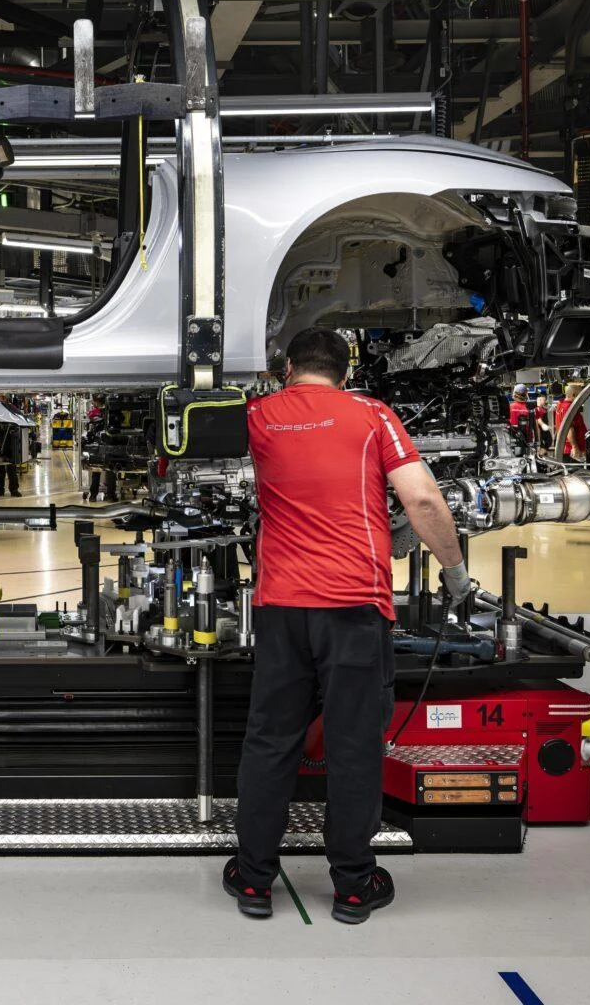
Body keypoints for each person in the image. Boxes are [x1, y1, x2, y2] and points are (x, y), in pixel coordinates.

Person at [225, 327, 470, 926]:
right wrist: (456, 573)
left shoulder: (258, 415)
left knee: (270, 740)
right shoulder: (371, 413)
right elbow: (425, 503)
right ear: (346, 369)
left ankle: (254, 879)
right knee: (354, 746)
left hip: (282, 608)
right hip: (355, 607)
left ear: (288, 367)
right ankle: (354, 887)